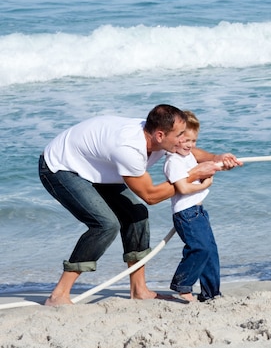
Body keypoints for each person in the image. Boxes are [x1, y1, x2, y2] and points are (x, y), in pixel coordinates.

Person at [39, 104, 241, 306]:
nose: (183, 140)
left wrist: (215, 158)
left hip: (97, 167)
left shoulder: (158, 136)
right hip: (61, 167)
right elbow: (151, 196)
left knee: (137, 215)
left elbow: (186, 149)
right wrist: (194, 175)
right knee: (106, 225)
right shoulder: (129, 149)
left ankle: (139, 290)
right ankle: (59, 295)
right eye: (180, 135)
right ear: (160, 136)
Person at [163, 111, 222, 303]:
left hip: (199, 212)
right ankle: (182, 285)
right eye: (186, 140)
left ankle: (211, 294)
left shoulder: (188, 156)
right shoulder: (173, 161)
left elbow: (202, 163)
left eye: (194, 141)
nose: (190, 145)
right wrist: (205, 184)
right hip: (186, 213)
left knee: (210, 253)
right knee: (200, 249)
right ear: (175, 138)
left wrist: (220, 162)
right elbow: (182, 187)